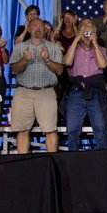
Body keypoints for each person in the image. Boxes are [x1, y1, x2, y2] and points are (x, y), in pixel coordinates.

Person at [10, 17, 64, 153]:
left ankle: (52, 160)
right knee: (22, 129)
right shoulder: (20, 47)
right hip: (24, 91)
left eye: (41, 27)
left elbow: (60, 70)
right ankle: (23, 163)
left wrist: (47, 60)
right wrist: (23, 59)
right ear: (28, 29)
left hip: (46, 91)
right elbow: (15, 70)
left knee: (50, 129)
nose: (38, 29)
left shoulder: (53, 47)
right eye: (35, 26)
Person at [63, 18, 107, 151]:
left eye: (90, 27)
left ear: (94, 30)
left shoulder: (100, 49)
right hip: (76, 90)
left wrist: (94, 44)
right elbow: (66, 62)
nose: (87, 30)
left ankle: (102, 160)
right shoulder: (74, 48)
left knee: (100, 128)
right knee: (72, 130)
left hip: (95, 91)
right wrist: (76, 39)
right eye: (84, 26)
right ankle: (73, 160)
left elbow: (103, 65)